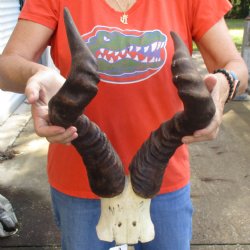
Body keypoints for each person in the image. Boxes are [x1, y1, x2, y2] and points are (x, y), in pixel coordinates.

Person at [0, 0, 248, 249]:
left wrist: (225, 82)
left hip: (163, 180)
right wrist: (36, 74)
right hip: (81, 182)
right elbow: (7, 67)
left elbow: (236, 67)